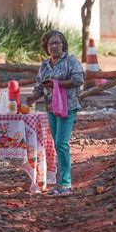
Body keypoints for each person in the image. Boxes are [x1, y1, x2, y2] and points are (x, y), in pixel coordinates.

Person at [26, 30, 84, 196]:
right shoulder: (45, 65)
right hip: (51, 108)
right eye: (51, 44)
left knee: (61, 143)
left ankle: (65, 183)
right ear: (46, 47)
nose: (54, 46)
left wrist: (57, 84)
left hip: (68, 107)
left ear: (63, 45)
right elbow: (39, 87)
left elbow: (78, 80)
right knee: (57, 144)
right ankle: (59, 180)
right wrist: (32, 97)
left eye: (57, 43)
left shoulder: (70, 61)